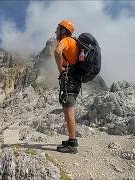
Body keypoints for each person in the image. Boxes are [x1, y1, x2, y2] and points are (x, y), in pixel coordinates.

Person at [54, 20, 81, 154]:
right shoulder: (74, 42)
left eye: (57, 29)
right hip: (75, 79)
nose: (55, 31)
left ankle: (72, 145)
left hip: (70, 78)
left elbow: (57, 51)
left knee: (68, 110)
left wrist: (60, 69)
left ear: (63, 30)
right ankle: (72, 141)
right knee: (68, 109)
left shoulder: (65, 40)